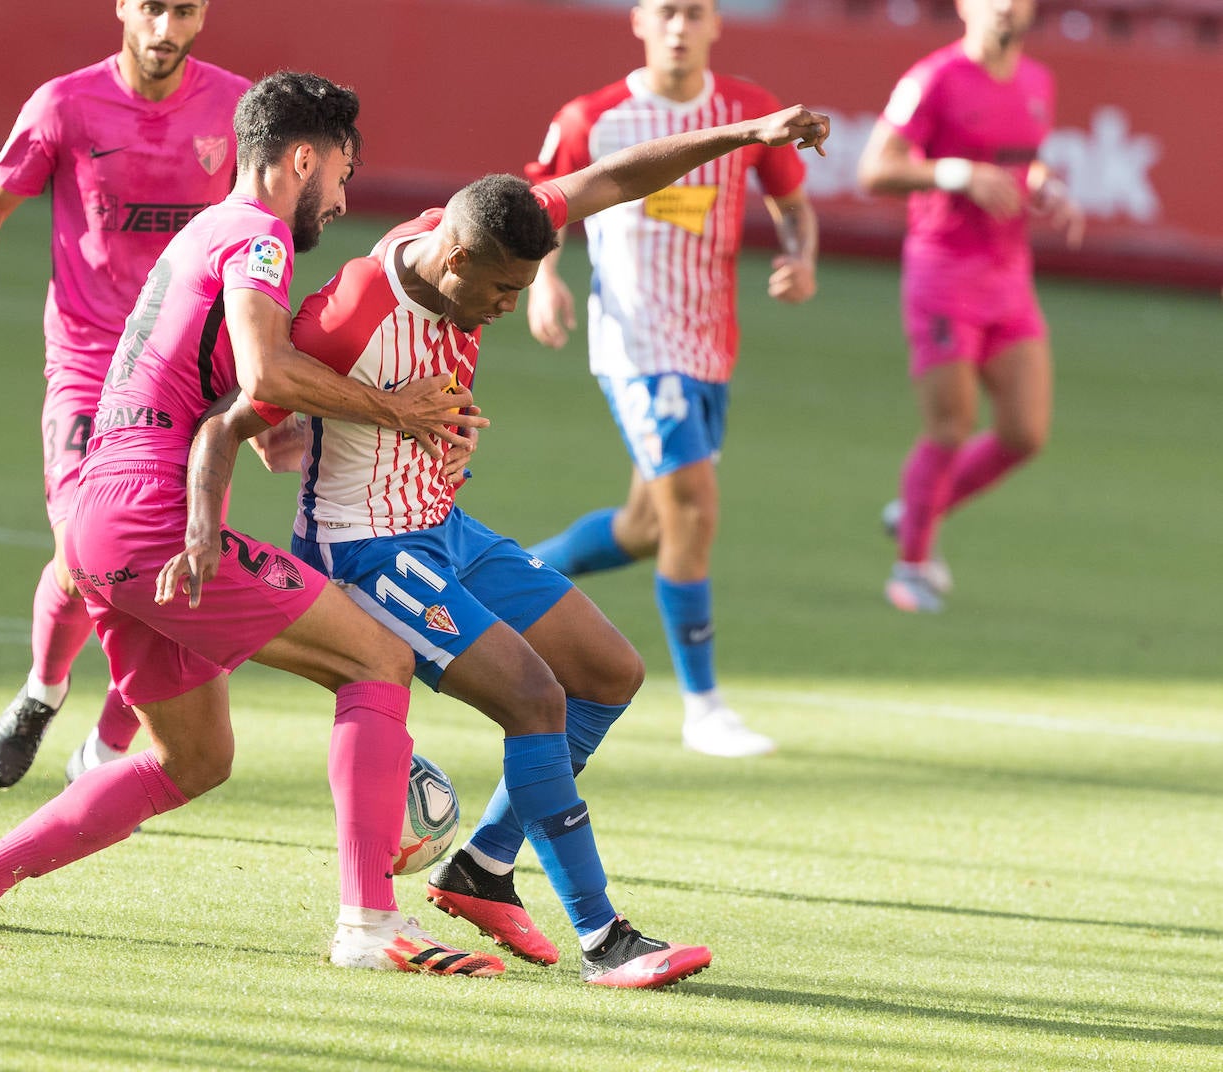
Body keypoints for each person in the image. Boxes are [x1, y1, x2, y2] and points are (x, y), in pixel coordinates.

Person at [163, 104, 831, 986]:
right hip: (365, 550)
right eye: (501, 291)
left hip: (446, 529)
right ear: (453, 258)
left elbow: (619, 177)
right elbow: (228, 422)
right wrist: (203, 528)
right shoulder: (355, 312)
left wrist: (744, 136)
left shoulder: (493, 225)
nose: (509, 309)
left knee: (610, 674)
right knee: (534, 697)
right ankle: (605, 939)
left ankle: (480, 866)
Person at [0, 71, 504, 978]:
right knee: (378, 658)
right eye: (341, 173)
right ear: (302, 158)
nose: (340, 200)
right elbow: (264, 375)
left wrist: (279, 443)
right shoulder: (261, 237)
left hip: (101, 522)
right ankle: (370, 927)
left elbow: (228, 401)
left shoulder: (204, 232)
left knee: (195, 759)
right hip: (144, 513)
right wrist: (397, 410)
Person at [0, 0, 251, 789]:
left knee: (179, 562)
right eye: (151, 8)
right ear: (122, 8)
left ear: (203, 15)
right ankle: (43, 689)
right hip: (89, 359)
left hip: (191, 369)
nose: (165, 29)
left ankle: (103, 751)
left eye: (183, 11)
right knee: (82, 550)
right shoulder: (65, 104)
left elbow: (270, 218)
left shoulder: (237, 108)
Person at [523, 0, 819, 759]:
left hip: (710, 346)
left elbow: (793, 202)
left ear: (716, 25)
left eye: (695, 12)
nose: (680, 27)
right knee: (693, 501)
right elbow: (541, 203)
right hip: (635, 343)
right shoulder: (595, 117)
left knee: (647, 527)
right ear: (639, 23)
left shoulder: (748, 111)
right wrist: (545, 279)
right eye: (666, 12)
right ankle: (703, 706)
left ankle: (514, 576)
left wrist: (801, 255)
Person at [856, 0, 1082, 613]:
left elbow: (1018, 161)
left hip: (1008, 277)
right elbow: (875, 168)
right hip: (943, 274)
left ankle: (917, 511)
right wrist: (956, 175)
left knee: (1024, 432)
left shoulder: (1038, 81)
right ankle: (911, 567)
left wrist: (1043, 185)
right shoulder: (932, 78)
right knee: (951, 426)